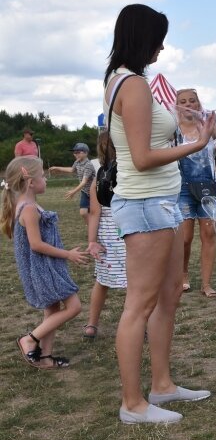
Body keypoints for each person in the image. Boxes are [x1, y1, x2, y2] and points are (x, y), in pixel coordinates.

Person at [104, 3, 214, 424]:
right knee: (140, 304)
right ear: (141, 38)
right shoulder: (131, 85)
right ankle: (132, 404)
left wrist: (188, 124)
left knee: (168, 296)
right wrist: (197, 142)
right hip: (146, 205)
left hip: (162, 204)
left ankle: (162, 386)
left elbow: (149, 137)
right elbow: (144, 157)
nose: (162, 47)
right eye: (158, 38)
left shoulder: (131, 82)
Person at [0, 156, 88, 369]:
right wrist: (67, 254)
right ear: (31, 182)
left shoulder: (27, 204)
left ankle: (45, 357)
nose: (46, 180)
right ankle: (30, 339)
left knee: (52, 310)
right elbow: (36, 245)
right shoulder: (29, 208)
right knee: (74, 306)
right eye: (42, 176)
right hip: (43, 268)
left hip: (45, 267)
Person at [174, 88, 216, 298]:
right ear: (177, 106)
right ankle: (183, 274)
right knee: (185, 237)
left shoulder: (208, 124)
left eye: (192, 101)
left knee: (209, 234)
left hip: (207, 187)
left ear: (198, 103)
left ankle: (206, 284)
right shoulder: (173, 129)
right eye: (183, 101)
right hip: (182, 188)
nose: (188, 105)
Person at [84, 130, 127, 339]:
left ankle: (91, 325)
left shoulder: (99, 176)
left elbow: (95, 212)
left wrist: (92, 241)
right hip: (128, 231)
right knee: (136, 283)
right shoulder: (128, 173)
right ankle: (136, 324)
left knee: (102, 280)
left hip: (107, 235)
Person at [48, 142, 95, 226]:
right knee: (83, 213)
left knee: (94, 212)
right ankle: (91, 228)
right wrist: (57, 168)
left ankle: (95, 228)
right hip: (85, 191)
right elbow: (71, 170)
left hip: (93, 192)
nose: (75, 154)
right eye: (74, 152)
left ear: (86, 153)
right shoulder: (77, 162)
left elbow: (84, 182)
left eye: (78, 152)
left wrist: (74, 191)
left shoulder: (89, 165)